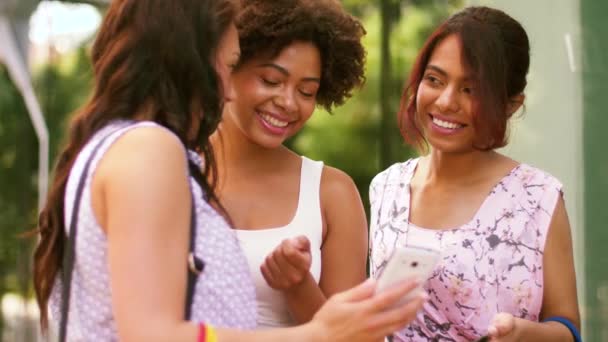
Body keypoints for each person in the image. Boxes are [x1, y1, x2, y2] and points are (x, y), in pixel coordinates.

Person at [31, 0, 427, 341]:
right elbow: (153, 334)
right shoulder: (150, 150)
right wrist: (315, 334)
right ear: (191, 58)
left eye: (306, 90)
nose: (229, 89)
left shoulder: (125, 146)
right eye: (231, 65)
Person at [368, 6, 581, 342]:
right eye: (434, 80)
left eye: (471, 90)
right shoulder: (387, 187)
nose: (446, 102)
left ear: (510, 104)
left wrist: (523, 335)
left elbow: (568, 329)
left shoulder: (538, 197)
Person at [210, 0, 369, 328]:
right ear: (229, 66)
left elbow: (352, 336)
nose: (287, 102)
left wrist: (298, 285)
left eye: (307, 91)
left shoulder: (332, 193)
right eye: (270, 80)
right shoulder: (174, 169)